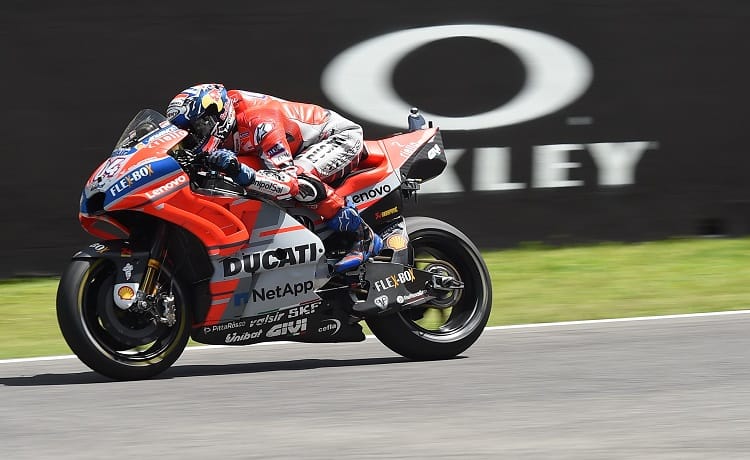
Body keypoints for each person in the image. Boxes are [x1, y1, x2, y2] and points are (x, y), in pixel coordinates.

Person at [166, 83, 382, 272]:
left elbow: (289, 184)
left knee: (300, 180)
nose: (194, 138)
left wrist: (242, 173)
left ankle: (362, 235)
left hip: (336, 137)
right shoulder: (224, 127)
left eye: (197, 128)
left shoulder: (260, 122)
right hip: (287, 150)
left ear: (218, 115)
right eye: (187, 133)